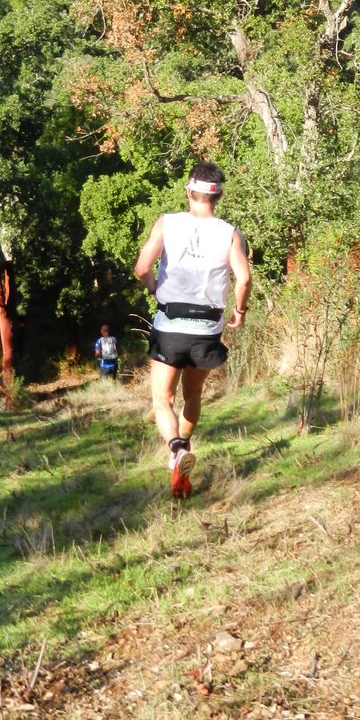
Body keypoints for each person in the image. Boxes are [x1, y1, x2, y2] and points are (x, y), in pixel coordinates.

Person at [134, 161, 252, 498]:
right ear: (219, 195)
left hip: (169, 324)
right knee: (193, 396)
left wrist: (154, 286)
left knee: (162, 398)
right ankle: (183, 448)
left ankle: (175, 449)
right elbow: (242, 278)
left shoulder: (167, 223)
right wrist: (239, 311)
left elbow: (142, 267)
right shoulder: (229, 232)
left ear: (189, 191)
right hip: (207, 328)